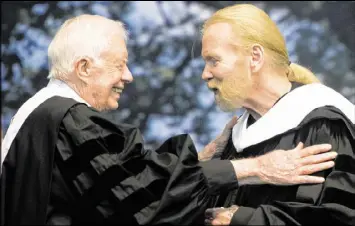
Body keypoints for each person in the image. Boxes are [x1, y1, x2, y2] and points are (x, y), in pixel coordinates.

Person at [0, 14, 337, 225]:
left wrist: (201, 160)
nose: (128, 77)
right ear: (84, 68)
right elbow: (142, 201)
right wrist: (256, 168)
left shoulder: (43, 117)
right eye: (120, 65)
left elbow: (124, 181)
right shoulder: (67, 119)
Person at [199, 4, 355, 226]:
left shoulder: (323, 123)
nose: (205, 74)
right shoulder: (232, 141)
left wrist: (241, 219)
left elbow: (336, 216)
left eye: (213, 60)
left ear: (255, 57)